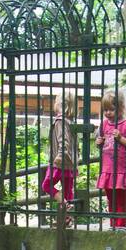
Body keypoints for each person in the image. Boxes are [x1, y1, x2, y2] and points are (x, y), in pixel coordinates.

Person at [95, 87, 126, 228]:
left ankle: (121, 225)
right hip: (108, 169)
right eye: (105, 110)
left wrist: (120, 138)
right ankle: (113, 224)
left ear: (120, 108)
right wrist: (98, 142)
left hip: (121, 169)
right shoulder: (103, 125)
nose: (107, 113)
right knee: (111, 199)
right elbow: (99, 141)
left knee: (121, 199)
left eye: (111, 109)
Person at [42, 91, 78, 221]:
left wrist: (60, 156)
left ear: (59, 104)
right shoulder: (70, 121)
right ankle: (67, 219)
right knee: (68, 191)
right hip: (71, 163)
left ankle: (65, 204)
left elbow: (64, 141)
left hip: (60, 161)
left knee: (46, 185)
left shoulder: (60, 122)